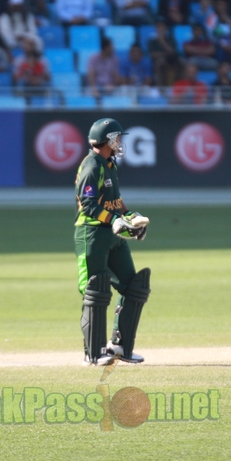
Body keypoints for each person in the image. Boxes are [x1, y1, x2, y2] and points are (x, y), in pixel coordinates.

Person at [74, 118, 150, 366]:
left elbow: (116, 202)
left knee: (133, 286)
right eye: (117, 138)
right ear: (106, 140)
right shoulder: (91, 166)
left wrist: (131, 218)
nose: (119, 143)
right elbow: (88, 205)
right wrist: (113, 221)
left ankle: (119, 346)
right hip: (92, 234)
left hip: (113, 235)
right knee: (96, 290)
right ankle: (93, 354)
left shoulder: (110, 164)